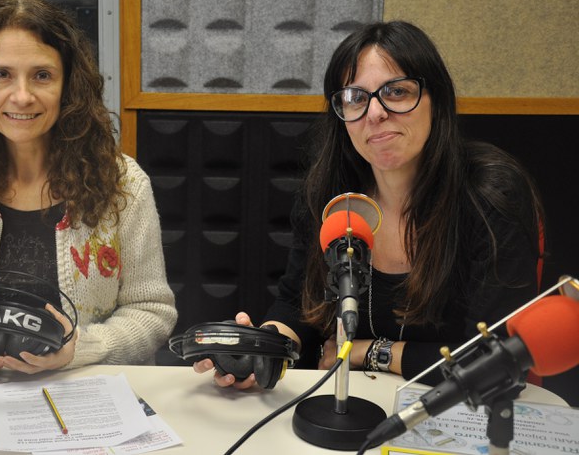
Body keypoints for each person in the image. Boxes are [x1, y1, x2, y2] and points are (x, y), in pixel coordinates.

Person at [195, 20, 544, 388]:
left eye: (396, 92)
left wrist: (371, 351)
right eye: (356, 98)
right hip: (349, 402)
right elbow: (297, 304)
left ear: (436, 101)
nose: (375, 113)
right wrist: (261, 348)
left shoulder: (491, 195)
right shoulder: (328, 194)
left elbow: (495, 357)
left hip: (455, 406)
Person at [0, 0, 177, 374]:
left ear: (68, 86)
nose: (22, 96)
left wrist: (80, 349)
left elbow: (152, 311)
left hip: (84, 391)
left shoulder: (124, 184)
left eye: (42, 75)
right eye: (2, 74)